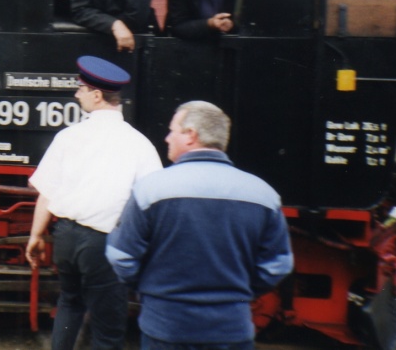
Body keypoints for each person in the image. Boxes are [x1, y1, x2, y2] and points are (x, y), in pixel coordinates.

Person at [106, 101, 293, 349]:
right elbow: (278, 264)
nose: (167, 138)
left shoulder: (150, 190)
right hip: (231, 330)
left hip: (166, 328)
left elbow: (121, 256)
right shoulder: (264, 195)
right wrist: (239, 293)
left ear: (191, 135)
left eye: (172, 130)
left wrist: (151, 290)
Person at [26, 55, 163, 350]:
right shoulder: (140, 145)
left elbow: (46, 192)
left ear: (97, 96)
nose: (77, 94)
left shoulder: (68, 136)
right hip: (104, 244)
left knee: (69, 304)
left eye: (81, 89)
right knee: (107, 329)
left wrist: (36, 236)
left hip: (66, 238)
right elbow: (153, 203)